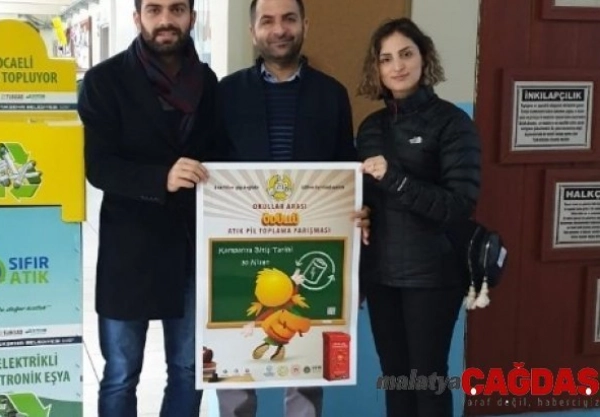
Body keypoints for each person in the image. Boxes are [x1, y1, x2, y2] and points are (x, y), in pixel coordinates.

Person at [76, 1, 231, 416]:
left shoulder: (207, 83)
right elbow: (99, 167)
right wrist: (161, 178)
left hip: (189, 249)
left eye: (177, 9)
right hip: (129, 250)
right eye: (154, 9)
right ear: (137, 18)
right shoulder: (104, 81)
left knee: (188, 369)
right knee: (121, 373)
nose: (166, 20)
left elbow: (221, 156)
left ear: (192, 18)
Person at [216, 0, 369, 416]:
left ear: (305, 24)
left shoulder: (331, 94)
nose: (279, 29)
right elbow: (211, 167)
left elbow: (345, 169)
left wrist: (357, 214)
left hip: (310, 246)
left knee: (305, 360)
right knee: (235, 361)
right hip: (240, 248)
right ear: (253, 31)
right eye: (267, 21)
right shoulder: (225, 93)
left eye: (289, 19)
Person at [354, 17, 481, 417]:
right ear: (377, 69)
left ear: (424, 58)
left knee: (427, 380)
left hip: (433, 276)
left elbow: (458, 205)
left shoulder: (453, 122)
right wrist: (362, 214)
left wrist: (394, 178)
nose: (397, 66)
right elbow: (368, 200)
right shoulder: (370, 128)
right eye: (386, 58)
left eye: (406, 54)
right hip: (381, 276)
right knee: (395, 380)